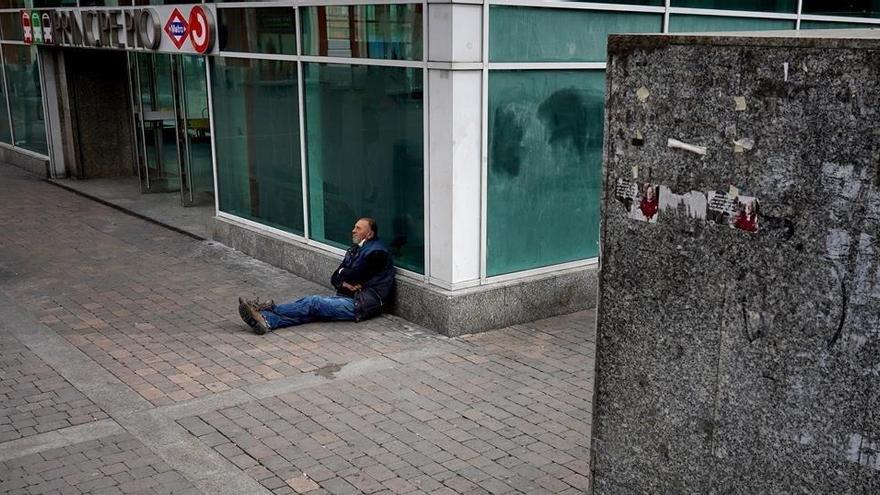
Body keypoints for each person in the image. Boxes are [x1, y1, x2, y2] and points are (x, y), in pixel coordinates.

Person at [238, 218, 395, 335]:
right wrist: (344, 281)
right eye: (354, 227)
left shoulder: (377, 253)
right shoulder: (354, 250)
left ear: (369, 233)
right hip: (350, 297)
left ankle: (266, 308)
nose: (353, 230)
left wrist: (347, 277)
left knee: (313, 303)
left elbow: (354, 275)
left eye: (358, 228)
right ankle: (266, 321)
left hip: (362, 305)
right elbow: (335, 278)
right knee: (310, 312)